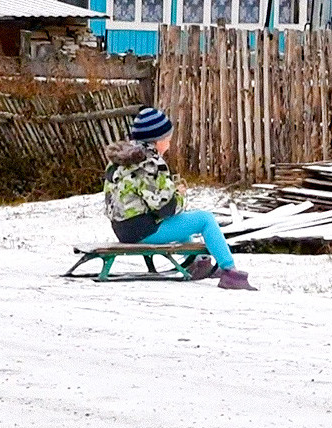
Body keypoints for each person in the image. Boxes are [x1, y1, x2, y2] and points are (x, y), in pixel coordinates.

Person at [103, 107, 256, 291]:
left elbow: (143, 195)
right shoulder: (150, 163)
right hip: (144, 231)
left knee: (183, 222)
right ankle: (230, 271)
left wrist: (169, 192)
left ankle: (198, 263)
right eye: (167, 139)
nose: (168, 143)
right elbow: (165, 209)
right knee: (204, 219)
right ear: (157, 140)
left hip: (122, 228)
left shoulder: (121, 161)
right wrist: (179, 196)